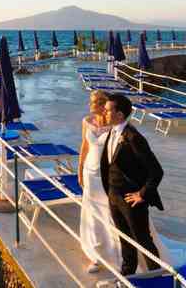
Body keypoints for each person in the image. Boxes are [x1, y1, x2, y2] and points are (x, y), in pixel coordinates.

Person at [100, 94, 164, 276]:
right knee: (124, 239)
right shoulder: (112, 132)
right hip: (114, 196)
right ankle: (127, 274)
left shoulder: (134, 137)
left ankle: (156, 277)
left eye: (107, 110)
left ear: (119, 115)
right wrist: (110, 193)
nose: (104, 112)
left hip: (131, 200)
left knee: (142, 240)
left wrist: (142, 194)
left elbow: (156, 171)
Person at [78, 90, 121, 273]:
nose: (90, 103)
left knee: (111, 213)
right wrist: (79, 171)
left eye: (94, 101)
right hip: (89, 172)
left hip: (108, 174)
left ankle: (117, 254)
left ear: (103, 104)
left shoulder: (115, 125)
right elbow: (84, 147)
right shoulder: (87, 121)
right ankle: (96, 255)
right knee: (94, 214)